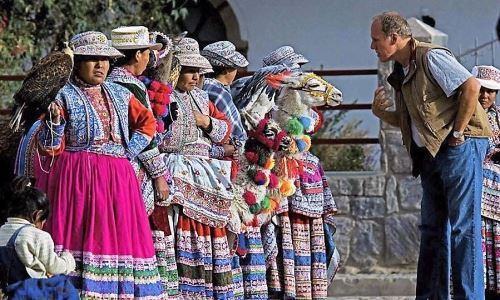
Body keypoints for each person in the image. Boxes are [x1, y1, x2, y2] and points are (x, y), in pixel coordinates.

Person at [34, 31, 165, 298]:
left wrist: (128, 150)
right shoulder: (62, 96)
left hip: (117, 176)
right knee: (81, 231)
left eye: (104, 60)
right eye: (92, 59)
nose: (100, 65)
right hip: (77, 176)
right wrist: (55, 123)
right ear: (77, 63)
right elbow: (49, 146)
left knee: (115, 232)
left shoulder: (119, 94)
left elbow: (147, 124)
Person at [370, 12, 491, 299]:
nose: (373, 47)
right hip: (431, 154)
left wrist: (459, 133)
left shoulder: (430, 57)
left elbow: (471, 87)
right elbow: (409, 118)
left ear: (394, 38)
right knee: (432, 229)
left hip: (460, 147)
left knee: (463, 228)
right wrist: (378, 113)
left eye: (376, 40)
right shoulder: (401, 72)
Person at [155, 37, 236, 298]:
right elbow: (162, 136)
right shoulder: (164, 97)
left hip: (205, 172)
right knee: (179, 227)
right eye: (189, 70)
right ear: (175, 69)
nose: (194, 77)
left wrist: (207, 122)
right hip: (175, 166)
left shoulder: (202, 97)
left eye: (198, 71)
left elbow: (226, 133)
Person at [107, 26, 170, 215]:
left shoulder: (107, 82)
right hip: (129, 165)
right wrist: (159, 175)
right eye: (147, 53)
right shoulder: (132, 87)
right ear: (137, 55)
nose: (148, 59)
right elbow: (145, 132)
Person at [0, 176, 75, 287]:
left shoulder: (2, 230)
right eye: (43, 221)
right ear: (37, 215)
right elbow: (53, 267)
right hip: (31, 291)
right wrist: (68, 260)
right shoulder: (38, 236)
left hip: (7, 289)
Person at [201, 41, 249, 179]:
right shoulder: (219, 92)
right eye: (235, 68)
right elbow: (235, 131)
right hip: (221, 156)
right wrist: (239, 145)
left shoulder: (202, 86)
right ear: (227, 69)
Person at [473, 65, 500, 299]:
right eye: (481, 89)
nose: (485, 96)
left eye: (490, 91)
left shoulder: (499, 117)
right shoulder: (463, 114)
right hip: (473, 195)